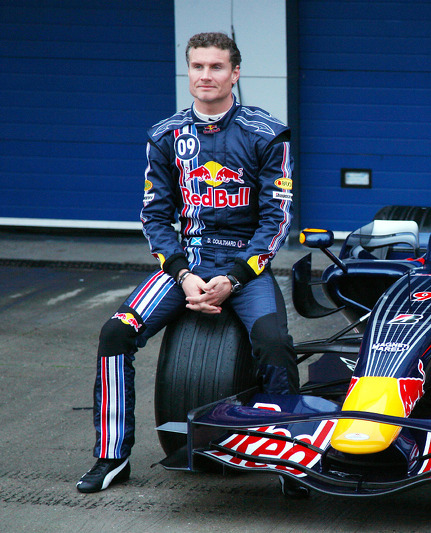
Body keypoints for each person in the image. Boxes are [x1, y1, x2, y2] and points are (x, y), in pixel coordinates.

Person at [76, 32, 305, 498]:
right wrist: (183, 274)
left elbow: (277, 219)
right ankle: (112, 455)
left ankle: (291, 458)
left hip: (245, 264)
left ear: (235, 73)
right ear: (188, 71)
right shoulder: (165, 135)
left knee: (275, 342)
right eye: (197, 67)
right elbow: (154, 216)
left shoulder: (267, 133)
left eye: (216, 67)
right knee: (115, 331)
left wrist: (234, 276)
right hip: (189, 260)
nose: (205, 75)